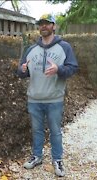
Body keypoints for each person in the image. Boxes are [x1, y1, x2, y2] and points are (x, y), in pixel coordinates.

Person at [17, 13, 78, 177]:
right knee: (37, 130)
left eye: (47, 23)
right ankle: (37, 156)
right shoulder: (31, 49)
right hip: (34, 99)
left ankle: (57, 160)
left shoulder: (64, 47)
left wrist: (59, 69)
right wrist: (22, 71)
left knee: (55, 131)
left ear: (54, 26)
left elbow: (73, 68)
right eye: (41, 23)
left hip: (54, 99)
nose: (43, 26)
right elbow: (22, 71)